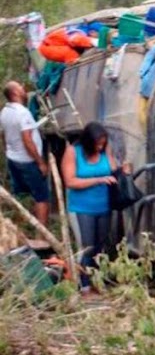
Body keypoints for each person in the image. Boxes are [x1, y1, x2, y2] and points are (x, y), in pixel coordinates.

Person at [61, 122, 122, 293]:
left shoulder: (104, 151)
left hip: (103, 207)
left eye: (103, 143)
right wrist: (98, 180)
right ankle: (83, 285)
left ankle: (98, 280)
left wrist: (122, 169)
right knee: (86, 247)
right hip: (81, 208)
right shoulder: (73, 152)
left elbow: (113, 170)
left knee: (100, 246)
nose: (100, 146)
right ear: (88, 141)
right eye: (98, 143)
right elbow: (70, 181)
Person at [0, 81, 50, 225]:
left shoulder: (4, 112)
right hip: (28, 162)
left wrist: (9, 150)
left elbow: (3, 136)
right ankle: (42, 237)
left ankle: (20, 226)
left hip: (13, 159)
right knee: (41, 197)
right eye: (20, 87)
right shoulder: (22, 112)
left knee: (21, 195)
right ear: (15, 93)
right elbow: (27, 140)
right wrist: (40, 162)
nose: (23, 87)